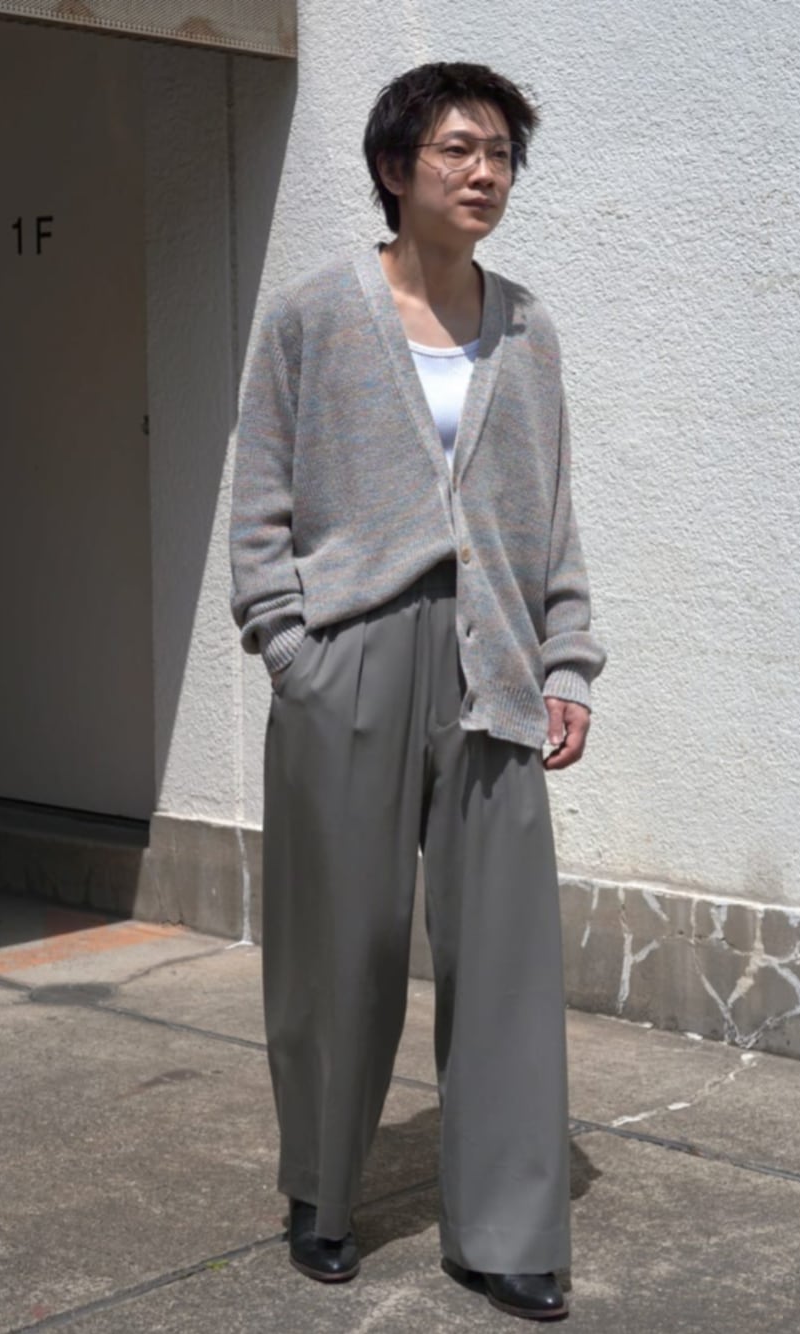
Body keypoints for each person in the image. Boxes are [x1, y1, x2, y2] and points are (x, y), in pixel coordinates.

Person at [229, 61, 606, 1323]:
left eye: (500, 153)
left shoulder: (529, 329)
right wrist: (291, 648)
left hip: (495, 663)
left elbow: (551, 513)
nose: (484, 172)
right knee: (341, 944)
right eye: (457, 149)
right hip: (350, 656)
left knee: (506, 956)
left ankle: (506, 1226)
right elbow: (260, 493)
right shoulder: (313, 314)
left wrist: (565, 658)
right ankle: (322, 1187)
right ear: (396, 168)